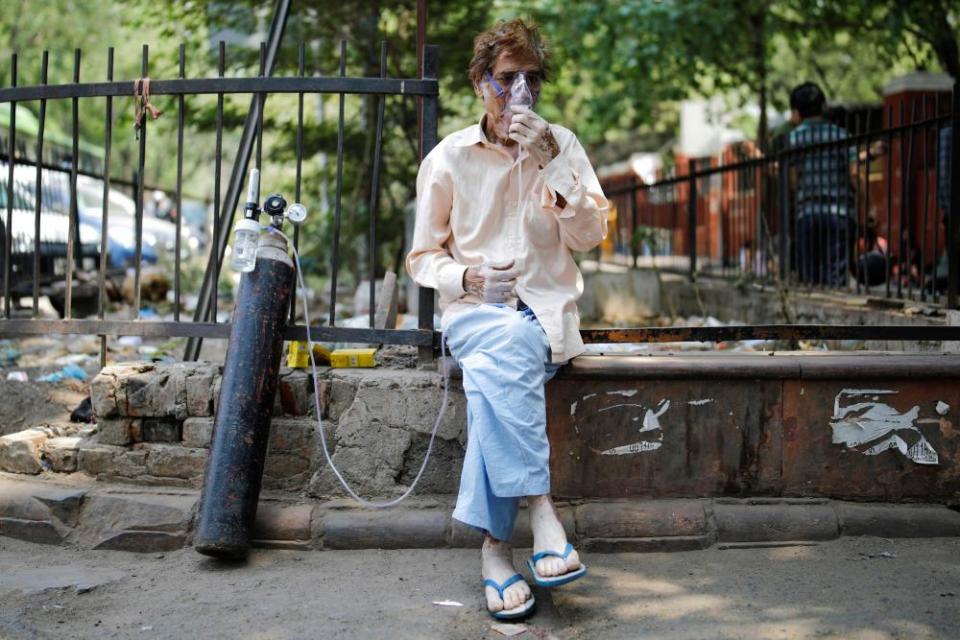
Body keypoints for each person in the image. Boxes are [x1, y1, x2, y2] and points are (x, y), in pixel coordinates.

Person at [405, 18, 608, 620]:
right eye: (505, 78)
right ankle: (542, 511)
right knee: (503, 343)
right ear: (479, 84)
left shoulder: (562, 145)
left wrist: (551, 162)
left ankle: (496, 550)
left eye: (531, 79)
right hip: (474, 312)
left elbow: (591, 236)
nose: (518, 91)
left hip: (544, 315)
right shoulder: (447, 159)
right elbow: (422, 257)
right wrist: (467, 279)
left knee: (503, 368)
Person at [787, 82, 856, 287]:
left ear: (797, 111)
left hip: (807, 214)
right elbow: (856, 177)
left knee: (811, 281)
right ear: (823, 106)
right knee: (836, 280)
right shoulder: (842, 136)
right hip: (840, 214)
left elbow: (793, 181)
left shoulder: (793, 139)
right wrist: (867, 207)